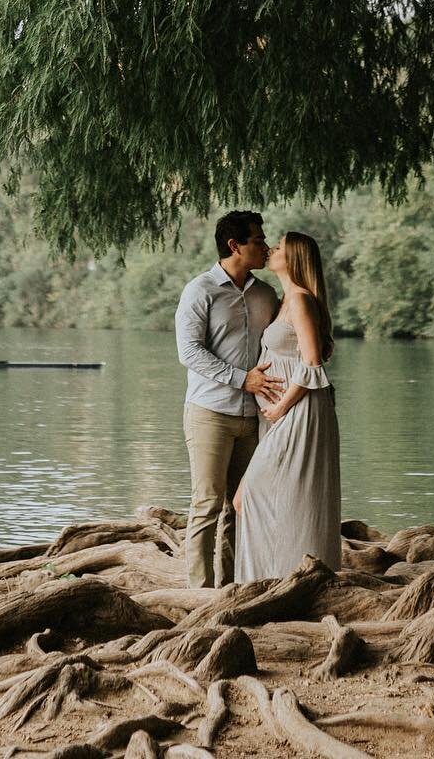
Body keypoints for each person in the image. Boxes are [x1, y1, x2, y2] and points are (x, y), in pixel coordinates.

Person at [175, 210, 282, 587]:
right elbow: (189, 351)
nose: (266, 247)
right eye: (258, 240)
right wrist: (242, 380)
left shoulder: (267, 294)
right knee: (207, 504)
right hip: (210, 413)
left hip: (255, 417)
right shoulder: (200, 290)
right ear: (235, 245)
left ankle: (233, 588)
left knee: (243, 506)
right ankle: (200, 594)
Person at [232, 231, 340, 582]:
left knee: (249, 496)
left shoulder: (301, 301)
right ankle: (271, 579)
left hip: (299, 411)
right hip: (283, 415)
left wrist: (281, 409)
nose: (271, 250)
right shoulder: (284, 300)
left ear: (293, 258)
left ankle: (292, 579)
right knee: (277, 496)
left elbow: (311, 362)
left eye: (278, 247)